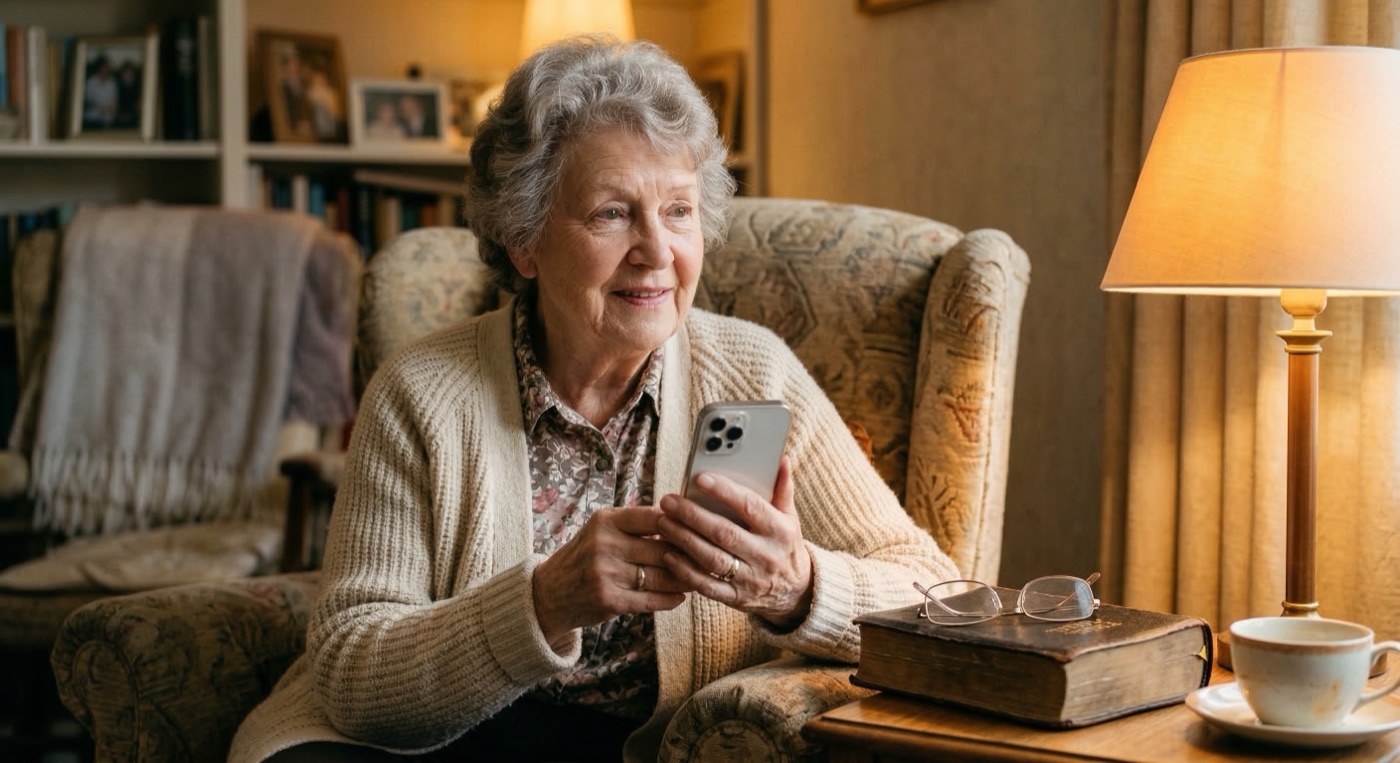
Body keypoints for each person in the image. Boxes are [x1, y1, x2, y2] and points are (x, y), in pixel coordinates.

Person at [231, 35, 957, 763]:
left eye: (678, 210)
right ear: (524, 239)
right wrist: (544, 602)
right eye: (612, 213)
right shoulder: (423, 392)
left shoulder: (752, 373)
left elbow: (939, 597)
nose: (656, 250)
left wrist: (797, 586)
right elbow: (351, 671)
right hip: (440, 744)